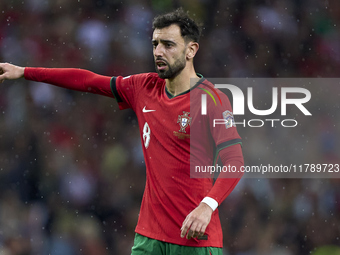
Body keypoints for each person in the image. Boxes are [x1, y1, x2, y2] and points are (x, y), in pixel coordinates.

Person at [0, 8, 244, 255]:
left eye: (168, 45)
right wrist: (25, 72)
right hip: (149, 237)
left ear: (191, 50)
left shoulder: (212, 99)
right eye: (155, 44)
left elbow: (235, 162)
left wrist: (207, 206)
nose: (159, 51)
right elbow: (88, 81)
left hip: (195, 237)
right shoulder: (143, 87)